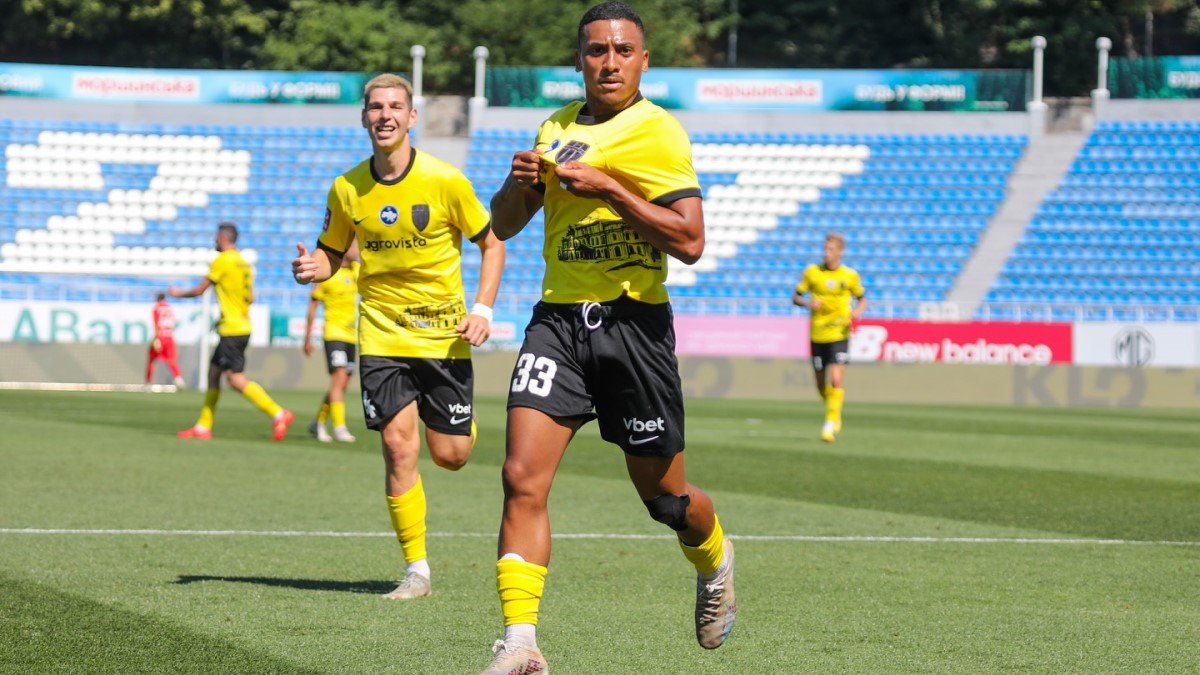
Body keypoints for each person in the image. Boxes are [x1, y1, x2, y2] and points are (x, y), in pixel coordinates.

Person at [480, 4, 736, 672]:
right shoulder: (555, 127)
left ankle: (715, 560)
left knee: (667, 502)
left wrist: (609, 188)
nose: (610, 62)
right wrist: (517, 185)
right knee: (519, 477)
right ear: (579, 60)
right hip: (558, 323)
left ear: (644, 61)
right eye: (597, 50)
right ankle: (521, 642)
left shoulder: (659, 132)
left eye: (624, 50)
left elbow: (690, 241)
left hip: (634, 327)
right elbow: (502, 224)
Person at [291, 73, 505, 602]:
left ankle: (460, 425)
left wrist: (482, 309)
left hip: (443, 336)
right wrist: (314, 267)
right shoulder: (346, 188)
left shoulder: (445, 180)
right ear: (364, 117)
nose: (384, 115)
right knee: (396, 447)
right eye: (375, 107)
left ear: (412, 117)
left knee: (451, 455)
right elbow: (331, 252)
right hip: (382, 333)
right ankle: (416, 570)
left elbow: (492, 242)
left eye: (394, 107)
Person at [172, 222, 295, 441]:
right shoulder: (243, 263)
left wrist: (177, 293)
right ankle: (203, 426)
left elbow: (200, 290)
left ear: (222, 237)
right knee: (213, 374)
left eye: (216, 236)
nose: (214, 240)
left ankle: (278, 413)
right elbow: (251, 297)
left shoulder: (223, 260)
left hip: (232, 329)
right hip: (240, 325)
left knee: (235, 379)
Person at [792, 232, 867, 443]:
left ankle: (830, 423)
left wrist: (856, 312)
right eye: (825, 249)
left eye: (831, 250)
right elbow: (796, 297)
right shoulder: (812, 272)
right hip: (817, 333)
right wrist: (809, 304)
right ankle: (834, 411)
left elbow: (862, 299)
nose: (826, 253)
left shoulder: (849, 275)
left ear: (840, 252)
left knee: (836, 378)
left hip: (839, 333)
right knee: (820, 384)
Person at [304, 240, 361, 443]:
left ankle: (318, 422)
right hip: (334, 333)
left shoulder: (356, 271)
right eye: (355, 246)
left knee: (341, 383)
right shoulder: (327, 274)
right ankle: (339, 427)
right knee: (338, 377)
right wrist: (307, 337)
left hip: (351, 336)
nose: (359, 250)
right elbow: (313, 307)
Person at [146, 292, 186, 388]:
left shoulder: (156, 308)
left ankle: (148, 382)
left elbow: (156, 323)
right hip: (170, 337)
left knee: (151, 359)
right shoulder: (169, 308)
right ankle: (179, 378)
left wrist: (157, 338)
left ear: (157, 299)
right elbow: (173, 322)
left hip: (160, 336)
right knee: (171, 360)